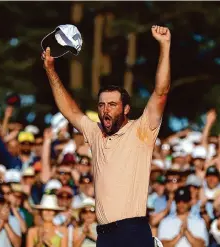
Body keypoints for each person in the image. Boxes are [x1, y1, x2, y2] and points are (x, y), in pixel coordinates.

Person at [42, 25, 171, 247]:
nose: (105, 110)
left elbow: (161, 91)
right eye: (101, 105)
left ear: (126, 109)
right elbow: (70, 110)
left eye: (112, 105)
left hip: (132, 230)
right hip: (104, 234)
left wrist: (165, 46)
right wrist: (50, 69)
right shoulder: (95, 132)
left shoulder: (141, 131)